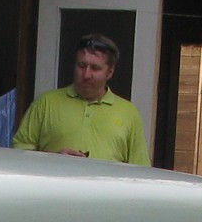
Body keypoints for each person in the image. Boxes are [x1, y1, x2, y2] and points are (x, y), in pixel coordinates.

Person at [12, 34, 149, 165]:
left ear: (110, 72)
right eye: (81, 66)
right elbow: (19, 153)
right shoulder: (45, 103)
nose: (86, 74)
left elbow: (139, 169)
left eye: (95, 68)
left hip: (105, 183)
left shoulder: (129, 113)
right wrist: (53, 159)